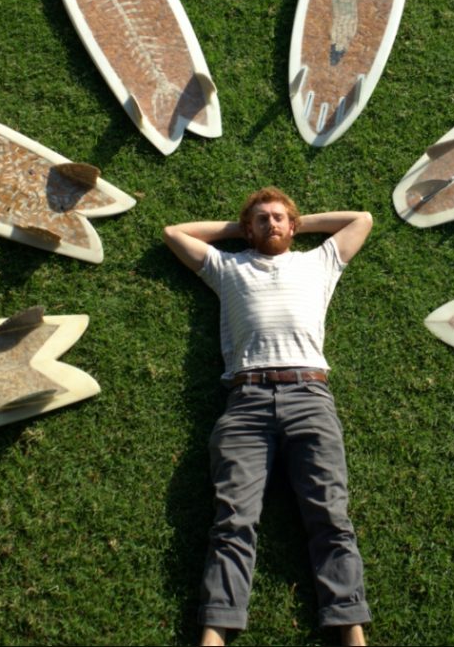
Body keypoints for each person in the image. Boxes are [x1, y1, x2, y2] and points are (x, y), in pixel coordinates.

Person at [163, 187, 374, 647]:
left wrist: (298, 221)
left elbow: (362, 219)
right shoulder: (228, 267)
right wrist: (237, 229)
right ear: (246, 230)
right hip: (246, 402)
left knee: (330, 515)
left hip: (310, 395)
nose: (270, 224)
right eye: (260, 220)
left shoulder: (318, 263)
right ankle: (215, 632)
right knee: (232, 520)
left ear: (293, 227)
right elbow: (173, 233)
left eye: (279, 218)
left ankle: (350, 627)